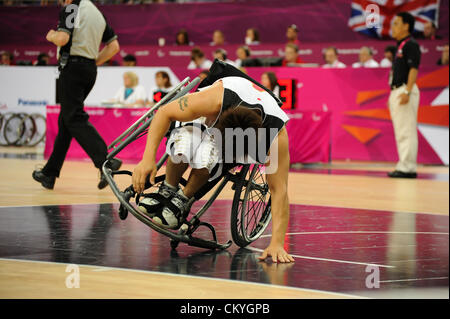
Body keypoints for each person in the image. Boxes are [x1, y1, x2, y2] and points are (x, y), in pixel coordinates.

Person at [132, 67, 294, 263]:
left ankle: (182, 200)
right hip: (218, 105)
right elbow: (164, 112)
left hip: (243, 126)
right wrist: (148, 158)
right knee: (185, 140)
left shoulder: (275, 134)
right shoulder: (213, 100)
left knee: (208, 154)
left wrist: (277, 243)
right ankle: (168, 188)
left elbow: (279, 190)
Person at [32, 0, 122, 190]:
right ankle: (49, 174)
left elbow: (63, 39)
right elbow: (113, 47)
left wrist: (51, 35)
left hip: (72, 68)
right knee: (67, 121)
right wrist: (91, 63)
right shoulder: (98, 14)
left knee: (73, 118)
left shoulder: (72, 7)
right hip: (89, 69)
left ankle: (106, 161)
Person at [387, 12, 421, 179]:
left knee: (407, 131)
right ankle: (404, 164)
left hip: (405, 90)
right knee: (401, 131)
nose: (393, 27)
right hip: (397, 90)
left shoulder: (411, 45)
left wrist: (407, 90)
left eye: (396, 23)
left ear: (406, 25)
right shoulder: (400, 45)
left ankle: (408, 167)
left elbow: (413, 69)